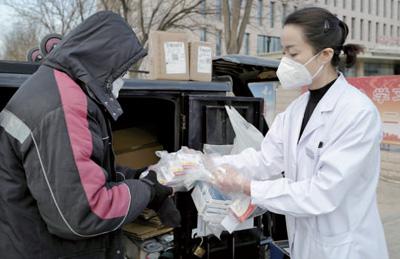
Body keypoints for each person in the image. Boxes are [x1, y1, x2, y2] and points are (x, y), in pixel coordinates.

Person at [211, 7, 388, 259]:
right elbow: (265, 160)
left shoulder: (356, 112)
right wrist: (208, 164)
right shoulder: (295, 110)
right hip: (305, 245)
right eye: (284, 52)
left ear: (325, 54)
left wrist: (249, 187)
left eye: (293, 53)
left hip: (346, 248)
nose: (285, 61)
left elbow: (322, 194)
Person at [0, 11, 178, 259]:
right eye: (122, 71)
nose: (122, 80)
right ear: (104, 62)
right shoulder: (64, 106)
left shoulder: (54, 87)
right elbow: (85, 213)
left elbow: (85, 169)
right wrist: (147, 189)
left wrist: (137, 175)